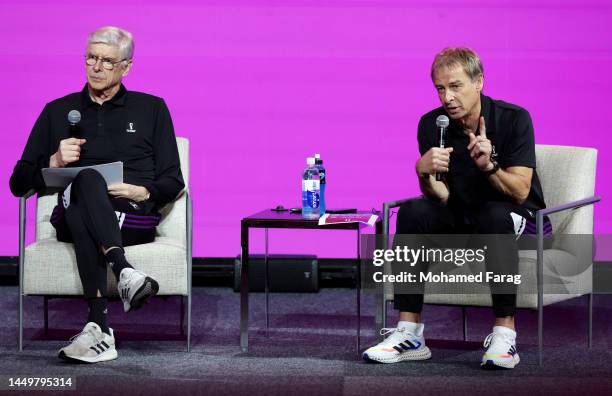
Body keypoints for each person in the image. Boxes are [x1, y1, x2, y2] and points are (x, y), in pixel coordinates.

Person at [363, 47, 549, 369]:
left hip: (521, 218)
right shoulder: (432, 126)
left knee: (494, 214)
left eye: (455, 86)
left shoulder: (513, 119)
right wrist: (423, 175)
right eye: (439, 88)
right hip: (466, 216)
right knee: (411, 212)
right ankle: (410, 333)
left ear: (479, 82)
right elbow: (442, 197)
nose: (447, 97)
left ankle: (505, 336)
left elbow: (519, 192)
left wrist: (489, 166)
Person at [9, 26, 185, 363]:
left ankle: (98, 328)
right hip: (68, 211)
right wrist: (54, 161)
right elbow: (18, 182)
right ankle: (125, 273)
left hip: (130, 213)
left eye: (107, 60)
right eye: (91, 58)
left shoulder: (151, 109)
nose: (97, 67)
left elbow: (173, 180)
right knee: (86, 182)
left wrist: (142, 189)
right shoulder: (56, 111)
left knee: (82, 203)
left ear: (126, 67)